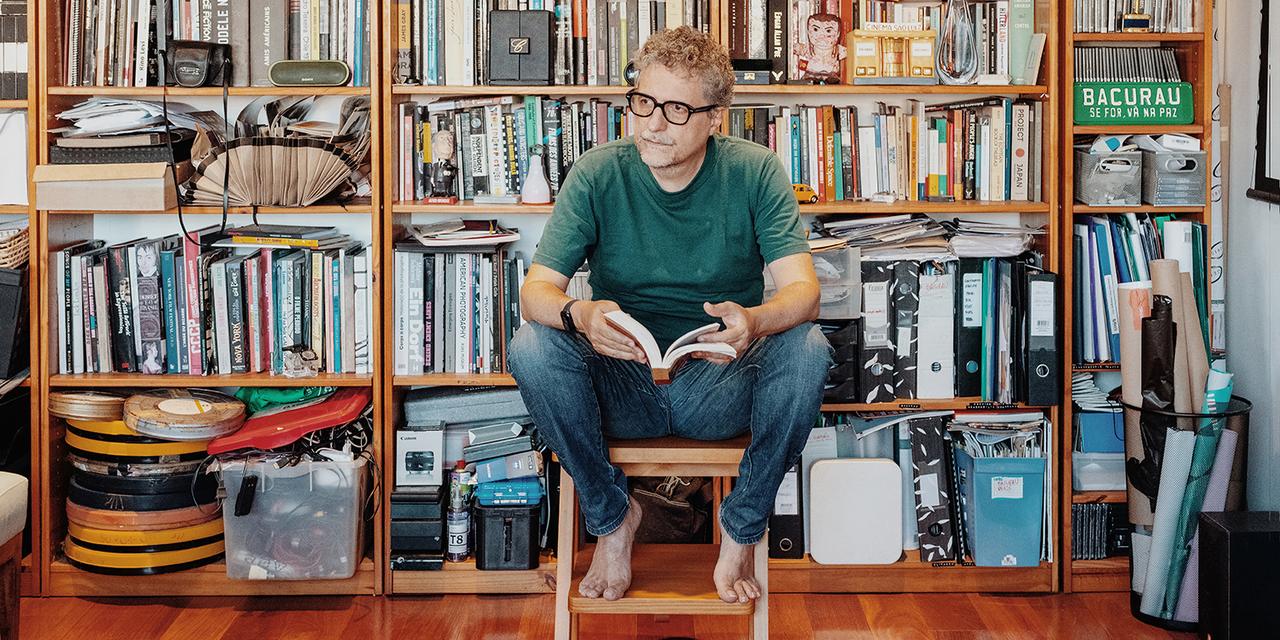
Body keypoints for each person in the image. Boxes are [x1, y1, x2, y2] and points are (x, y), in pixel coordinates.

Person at [507, 26, 831, 605]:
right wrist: (580, 314)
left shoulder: (755, 171)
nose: (653, 123)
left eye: (676, 109)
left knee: (807, 347)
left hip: (715, 383)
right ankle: (612, 519)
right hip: (621, 381)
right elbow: (535, 294)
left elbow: (803, 293)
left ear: (715, 117)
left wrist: (754, 322)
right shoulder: (597, 172)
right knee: (532, 344)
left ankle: (740, 527)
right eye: (644, 102)